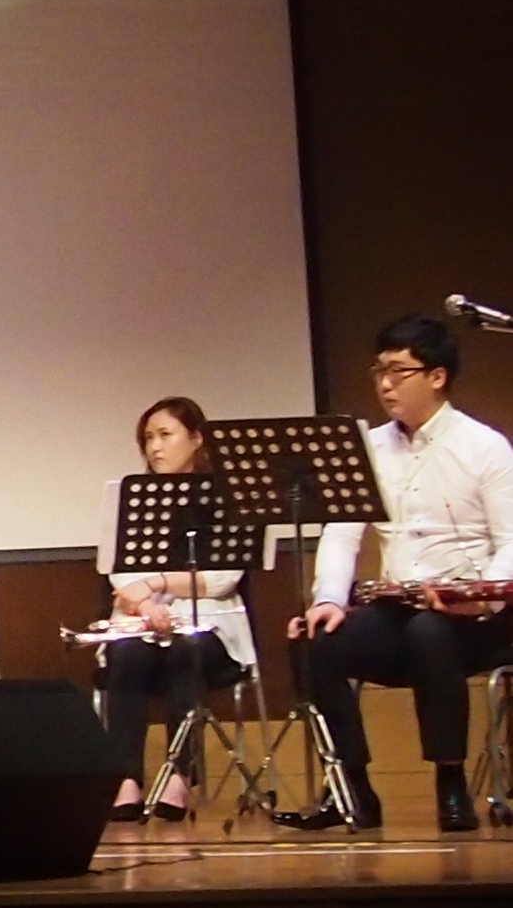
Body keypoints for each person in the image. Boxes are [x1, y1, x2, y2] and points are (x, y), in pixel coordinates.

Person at [289, 312, 513, 832]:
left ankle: (450, 781)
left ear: (437, 377)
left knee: (430, 632)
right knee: (317, 641)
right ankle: (352, 789)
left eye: (399, 371)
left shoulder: (484, 447)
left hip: (474, 617)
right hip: (398, 609)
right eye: (379, 371)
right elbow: (341, 534)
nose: (385, 384)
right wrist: (328, 600)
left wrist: (478, 597)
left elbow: (510, 542)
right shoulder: (369, 447)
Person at [93, 397, 253, 820]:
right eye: (148, 438)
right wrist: (145, 602)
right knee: (126, 654)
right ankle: (125, 779)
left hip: (211, 623)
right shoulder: (131, 499)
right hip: (142, 621)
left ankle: (181, 774)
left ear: (196, 438)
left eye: (165, 435)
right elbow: (118, 571)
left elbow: (221, 578)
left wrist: (158, 582)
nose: (155, 447)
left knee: (186, 651)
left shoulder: (227, 498)